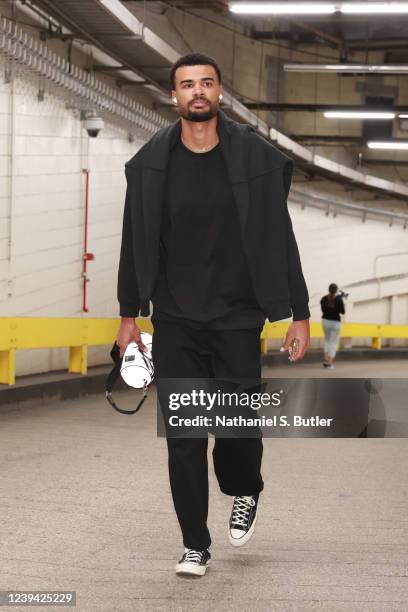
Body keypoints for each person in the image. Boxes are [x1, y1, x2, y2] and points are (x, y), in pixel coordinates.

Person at [115, 52, 311, 577]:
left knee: (236, 432)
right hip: (176, 322)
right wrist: (128, 313)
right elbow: (133, 243)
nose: (196, 92)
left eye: (206, 83)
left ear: (220, 93)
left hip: (238, 321)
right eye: (186, 85)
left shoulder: (254, 158)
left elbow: (280, 239)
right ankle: (194, 544)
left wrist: (300, 312)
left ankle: (245, 488)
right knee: (184, 439)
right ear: (173, 96)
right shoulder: (152, 164)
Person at [320, 283, 345, 369]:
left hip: (325, 322)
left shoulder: (323, 299)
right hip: (335, 323)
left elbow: (323, 310)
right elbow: (343, 312)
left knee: (327, 340)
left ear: (329, 289)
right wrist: (341, 300)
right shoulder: (339, 299)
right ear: (336, 290)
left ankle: (325, 360)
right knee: (333, 342)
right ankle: (330, 362)